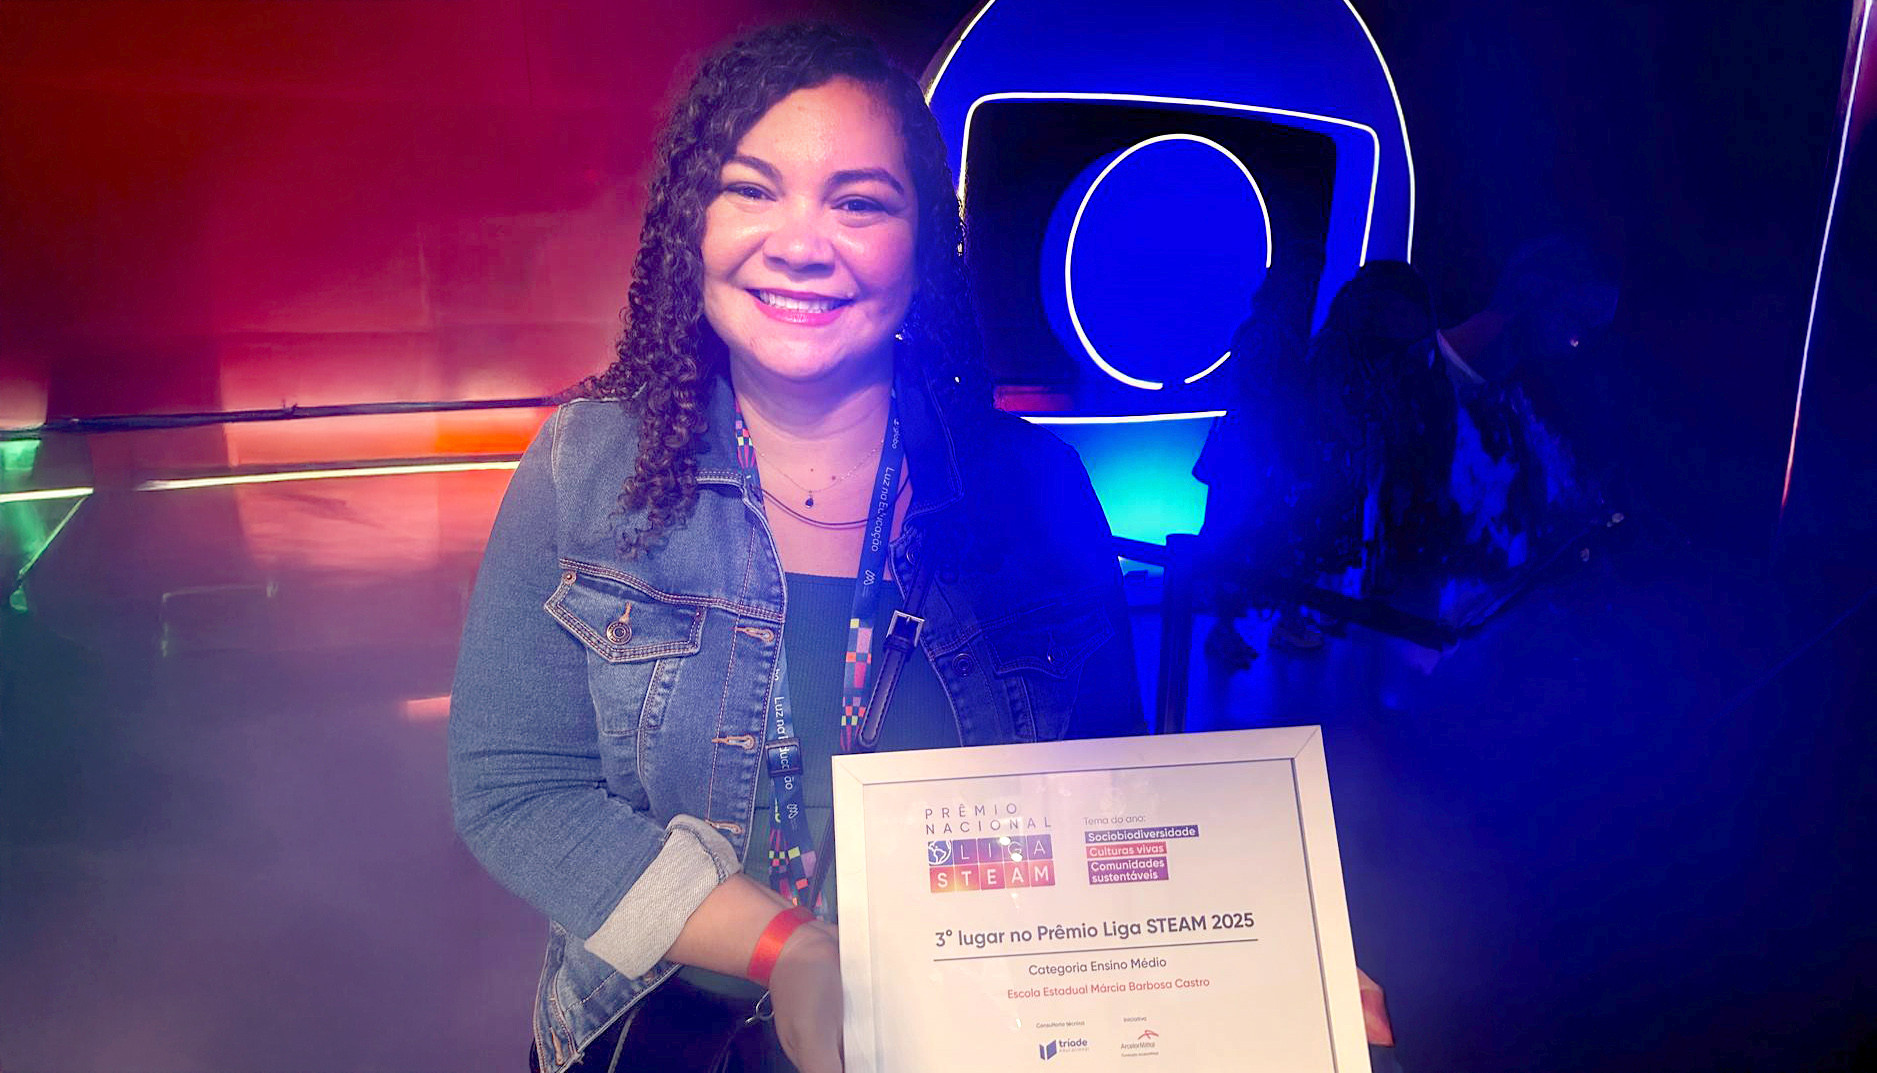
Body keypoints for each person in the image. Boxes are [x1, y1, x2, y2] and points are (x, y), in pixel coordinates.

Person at [447, 23, 1143, 1073]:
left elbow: (1115, 798)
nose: (801, 243)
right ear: (691, 221)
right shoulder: (585, 464)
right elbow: (514, 786)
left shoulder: (1034, 493)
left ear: (925, 243)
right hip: (651, 1035)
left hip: (960, 1036)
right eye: (750, 189)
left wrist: (1262, 959)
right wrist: (788, 947)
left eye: (859, 202)